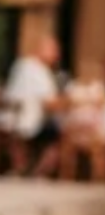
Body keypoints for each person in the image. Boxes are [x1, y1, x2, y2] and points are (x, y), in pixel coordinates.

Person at [1, 35, 65, 176]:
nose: (56, 55)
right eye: (53, 50)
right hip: (26, 121)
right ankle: (36, 172)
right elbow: (49, 102)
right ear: (40, 49)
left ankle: (27, 169)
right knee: (58, 132)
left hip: (12, 118)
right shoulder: (37, 70)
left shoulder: (22, 65)